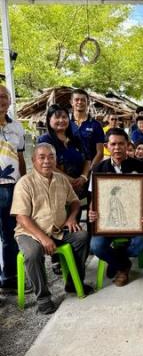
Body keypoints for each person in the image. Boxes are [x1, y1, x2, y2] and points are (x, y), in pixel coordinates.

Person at [11, 143, 91, 314]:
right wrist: (43, 238)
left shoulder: (61, 179)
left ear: (55, 160)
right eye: (42, 157)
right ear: (33, 160)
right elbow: (21, 217)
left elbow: (75, 201)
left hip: (58, 230)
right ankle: (43, 298)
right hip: (30, 232)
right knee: (32, 253)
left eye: (51, 157)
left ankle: (72, 282)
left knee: (82, 236)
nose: (47, 161)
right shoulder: (24, 183)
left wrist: (71, 217)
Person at [89, 128, 143, 287]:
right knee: (96, 246)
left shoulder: (141, 167)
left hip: (134, 222)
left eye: (121, 144)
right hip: (108, 223)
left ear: (127, 145)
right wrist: (91, 211)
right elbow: (94, 199)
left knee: (141, 244)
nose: (117, 148)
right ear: (106, 146)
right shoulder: (98, 169)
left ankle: (115, 262)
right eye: (113, 144)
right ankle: (123, 265)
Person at [0, 85, 26, 292]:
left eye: (4, 96)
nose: (1, 100)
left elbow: (20, 157)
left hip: (12, 187)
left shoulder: (17, 127)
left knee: (11, 234)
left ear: (9, 101)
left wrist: (24, 183)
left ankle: (9, 279)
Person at [38, 104, 90, 198]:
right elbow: (48, 165)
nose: (61, 120)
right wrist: (72, 181)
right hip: (55, 190)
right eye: (57, 117)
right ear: (49, 119)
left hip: (79, 189)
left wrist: (83, 177)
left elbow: (87, 159)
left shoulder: (76, 139)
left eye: (64, 117)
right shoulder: (44, 140)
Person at [70, 88, 104, 169]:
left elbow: (100, 153)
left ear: (88, 103)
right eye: (77, 100)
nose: (80, 102)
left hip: (90, 169)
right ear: (71, 102)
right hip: (68, 170)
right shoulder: (65, 123)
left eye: (83, 100)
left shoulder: (96, 125)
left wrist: (89, 170)